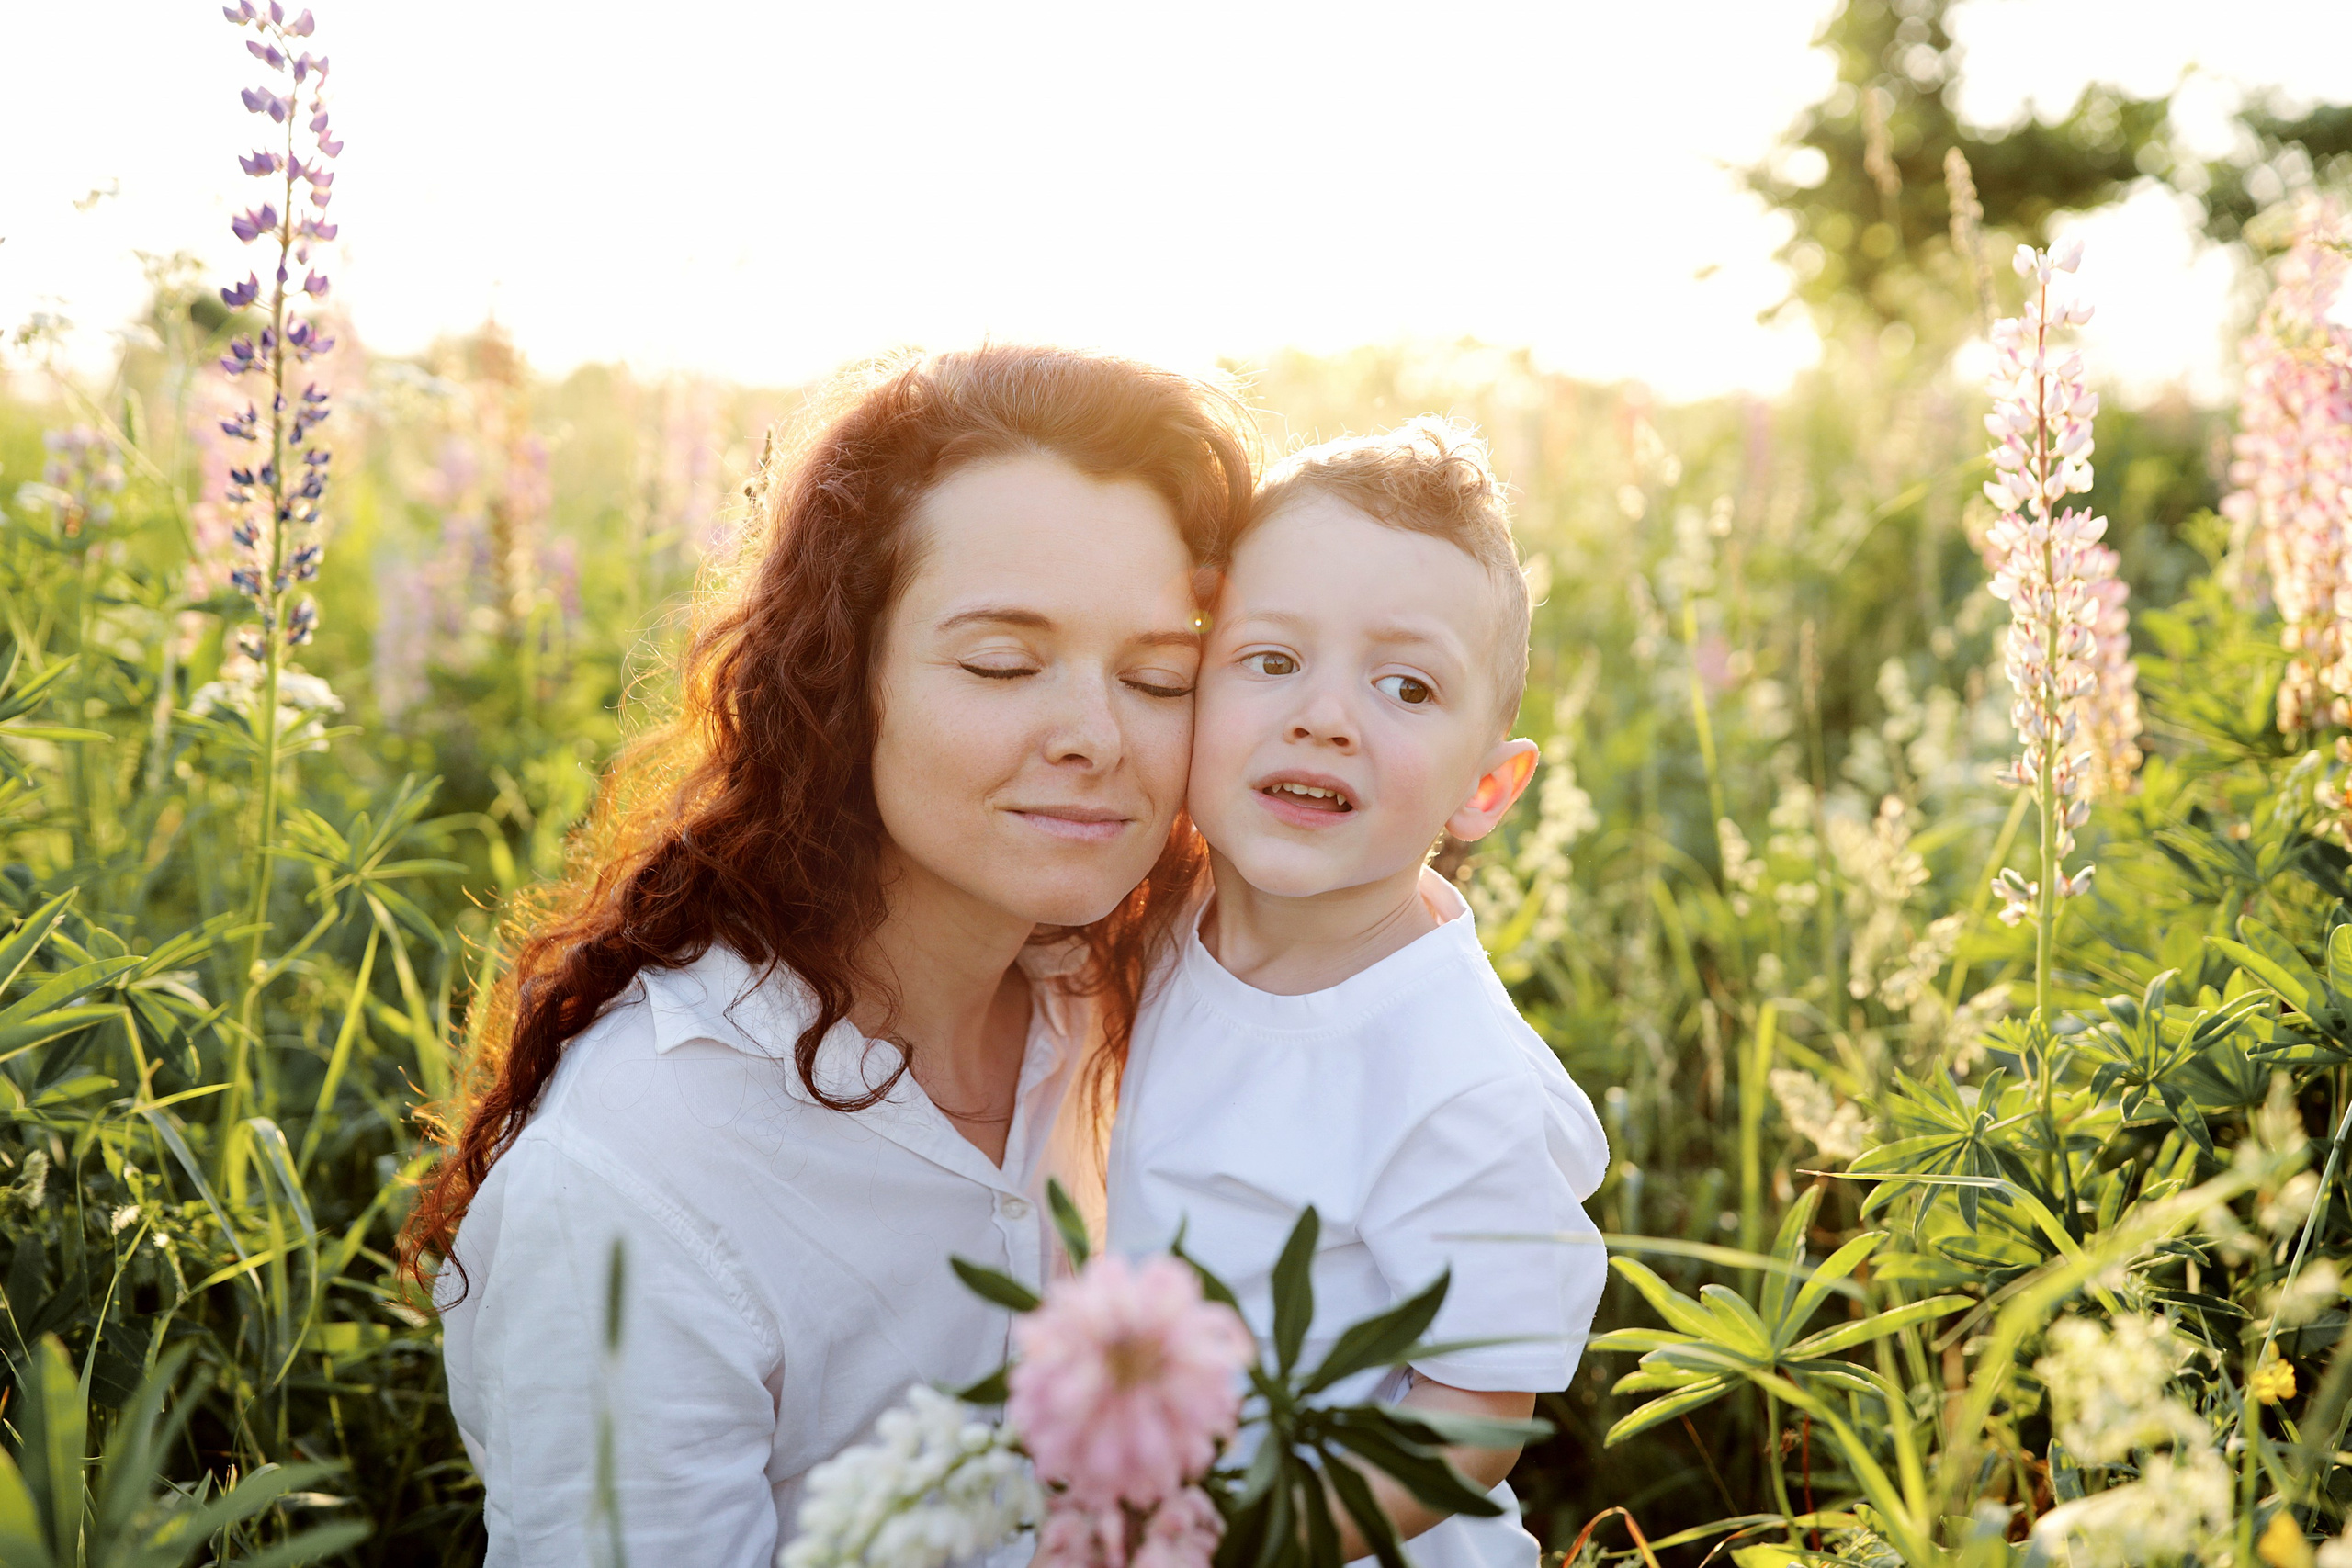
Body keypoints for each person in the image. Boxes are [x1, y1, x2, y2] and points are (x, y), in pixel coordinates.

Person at [402, 345, 1255, 1568]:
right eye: (1002, 663)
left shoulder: (1139, 997)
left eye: (1160, 676)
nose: (1096, 735)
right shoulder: (639, 1172)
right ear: (845, 676)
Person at [1103, 416, 1609, 1568]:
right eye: (1272, 660)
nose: (1323, 716)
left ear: (1484, 788)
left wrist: (1245, 1538)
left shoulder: (1453, 1077)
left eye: (1405, 686)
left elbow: (1474, 1413)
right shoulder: (1158, 911)